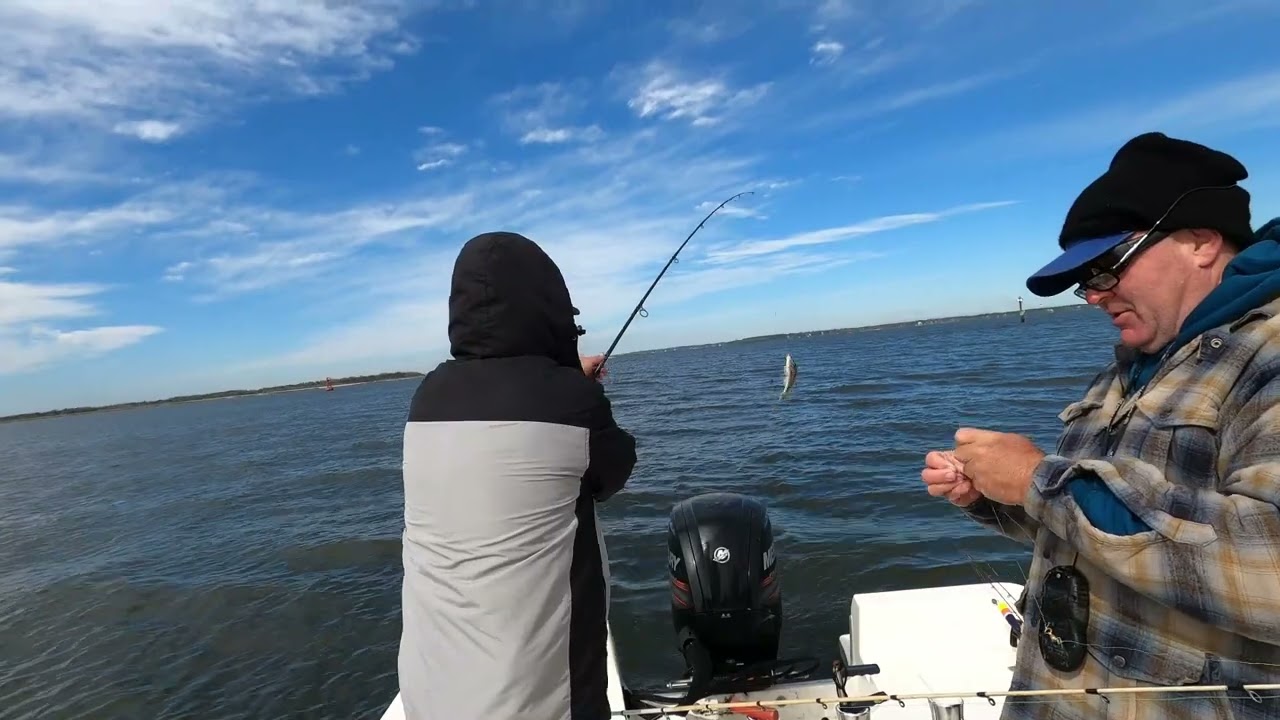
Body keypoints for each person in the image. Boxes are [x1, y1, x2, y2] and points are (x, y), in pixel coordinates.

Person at [921, 131, 1280, 720]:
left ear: (1200, 241)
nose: (1092, 295)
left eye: (1105, 268)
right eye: (1084, 280)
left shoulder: (1265, 357)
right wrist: (994, 495)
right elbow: (1097, 524)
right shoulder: (1129, 369)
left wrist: (1039, 479)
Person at [398, 231, 638, 719]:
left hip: (429, 696)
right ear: (549, 311)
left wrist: (564, 379)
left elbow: (510, 409)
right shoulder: (572, 402)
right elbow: (616, 469)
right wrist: (571, 381)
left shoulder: (427, 399)